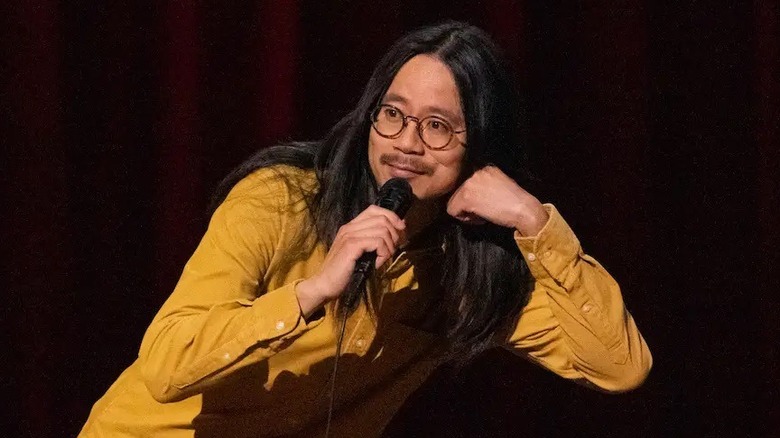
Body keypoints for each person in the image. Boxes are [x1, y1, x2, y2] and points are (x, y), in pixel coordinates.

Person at [79, 21, 652, 437]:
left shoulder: (466, 273)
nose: (406, 142)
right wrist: (312, 292)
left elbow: (619, 365)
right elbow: (164, 366)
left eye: (437, 127)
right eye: (394, 115)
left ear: (481, 147)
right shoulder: (282, 201)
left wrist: (535, 220)